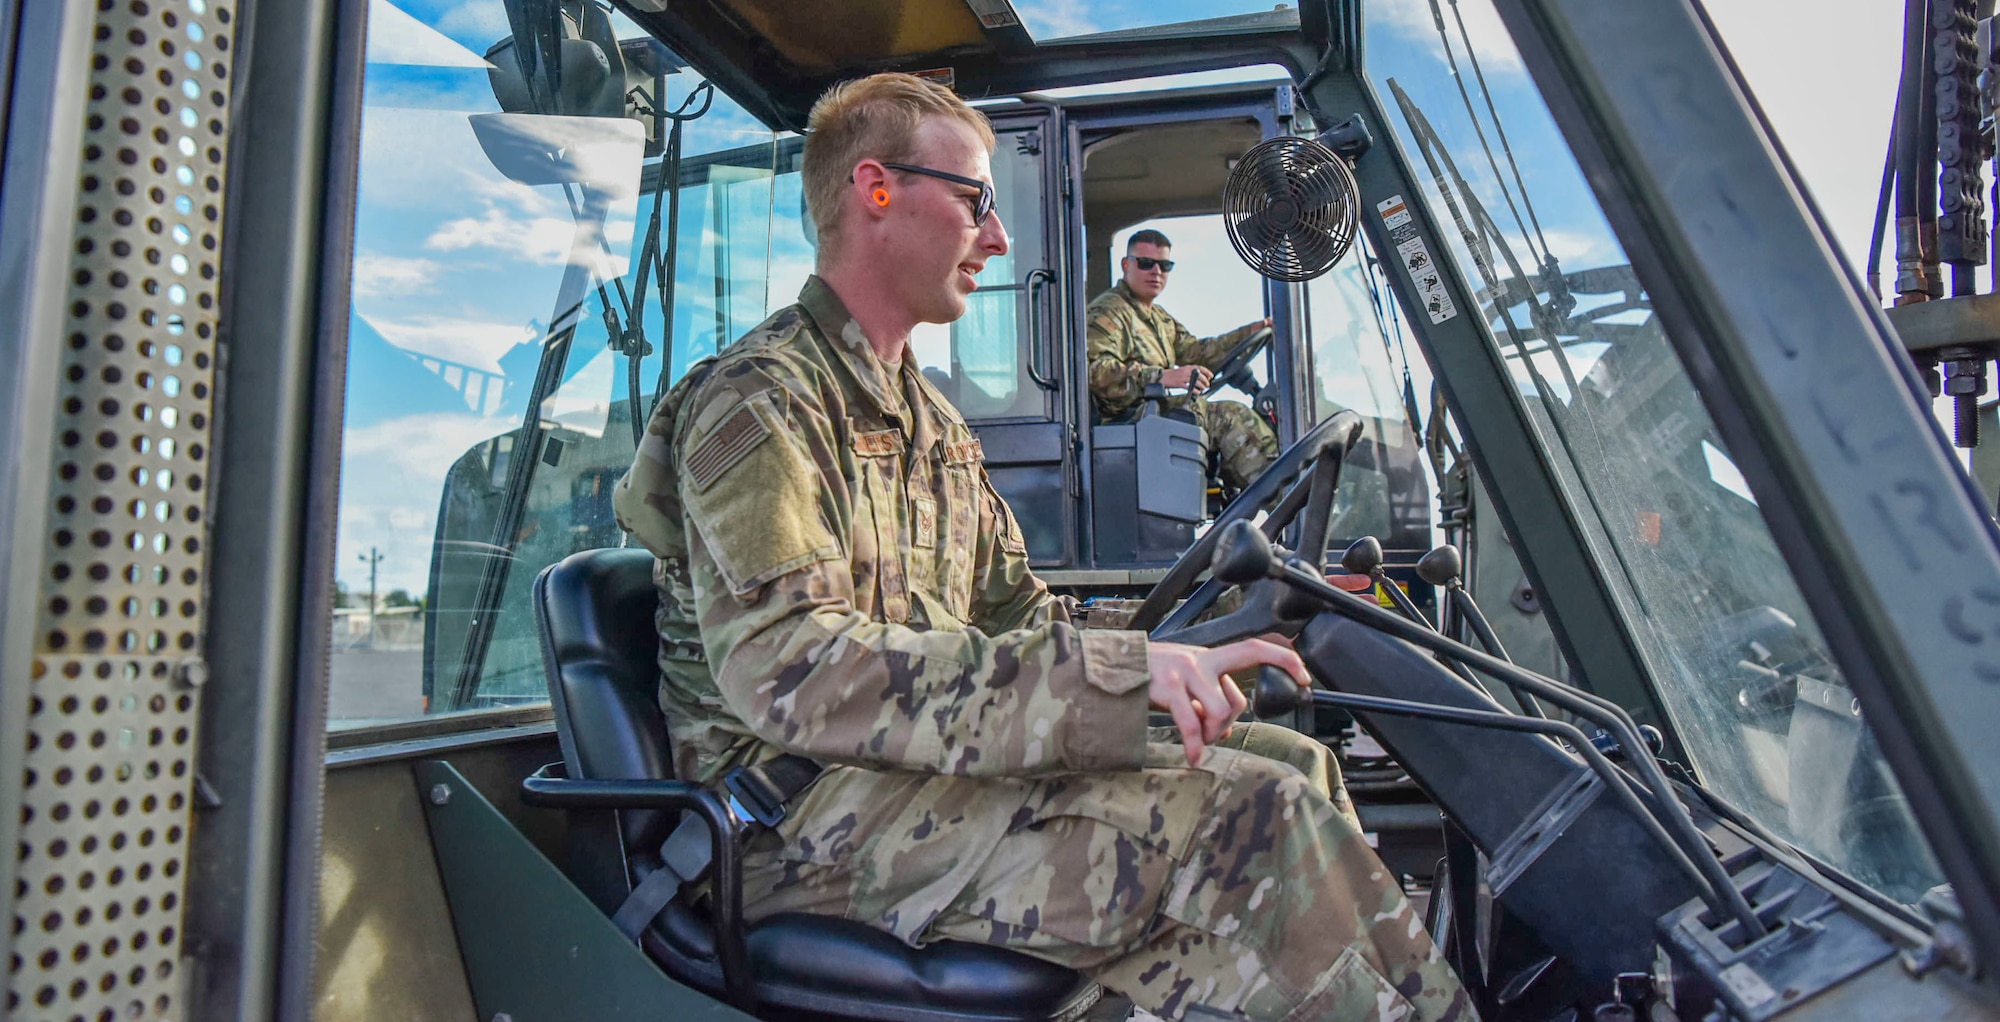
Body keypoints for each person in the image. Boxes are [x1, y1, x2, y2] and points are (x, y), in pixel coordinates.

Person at [613, 72, 1471, 1022]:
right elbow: (794, 670)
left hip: (906, 779)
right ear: (876, 189)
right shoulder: (761, 401)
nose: (999, 238)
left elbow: (1022, 617)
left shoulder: (926, 420)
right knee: (1255, 819)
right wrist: (1113, 677)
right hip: (793, 824)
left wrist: (1207, 636)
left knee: (1290, 762)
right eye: (977, 200)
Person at [1087, 230, 1280, 490]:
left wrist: (1250, 332)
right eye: (1146, 263)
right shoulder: (1109, 311)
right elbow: (1095, 372)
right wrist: (1162, 376)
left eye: (1164, 265)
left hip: (1151, 419)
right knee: (1227, 416)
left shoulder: (1159, 318)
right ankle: (1288, 500)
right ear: (1126, 265)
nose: (1156, 271)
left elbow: (1198, 352)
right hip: (1128, 421)